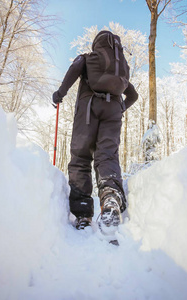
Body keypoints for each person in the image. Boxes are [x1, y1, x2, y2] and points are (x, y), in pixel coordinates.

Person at [52, 30, 138, 231]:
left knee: (81, 156)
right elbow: (133, 95)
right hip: (113, 112)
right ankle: (110, 199)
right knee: (107, 156)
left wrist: (60, 93)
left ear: (96, 44)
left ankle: (83, 213)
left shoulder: (89, 59)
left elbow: (74, 70)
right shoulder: (119, 70)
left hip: (88, 111)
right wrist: (119, 108)